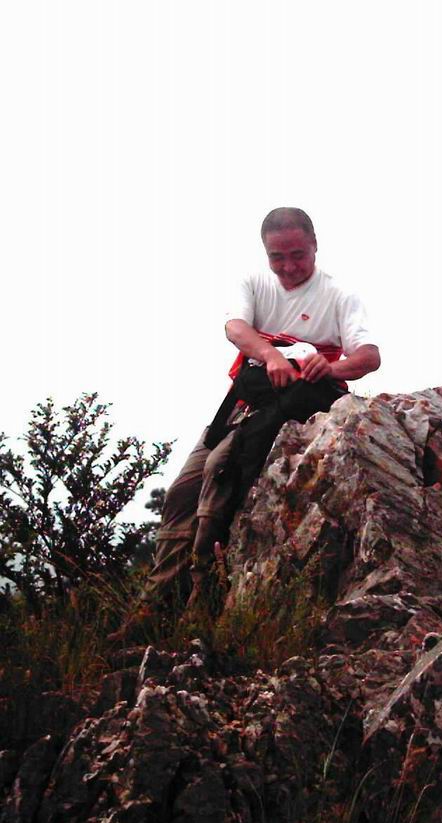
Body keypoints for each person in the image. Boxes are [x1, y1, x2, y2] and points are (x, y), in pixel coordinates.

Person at [112, 208, 380, 638]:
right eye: (278, 257)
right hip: (241, 401)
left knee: (219, 473)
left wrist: (330, 368)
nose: (288, 266)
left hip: (291, 410)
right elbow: (235, 327)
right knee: (182, 491)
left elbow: (369, 356)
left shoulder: (339, 296)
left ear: (315, 245)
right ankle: (154, 607)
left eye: (298, 255)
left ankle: (201, 605)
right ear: (265, 253)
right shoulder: (254, 284)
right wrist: (270, 354)